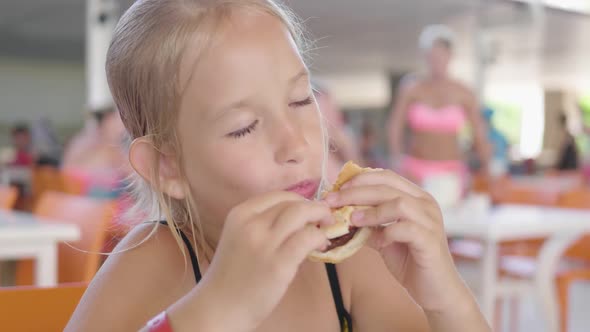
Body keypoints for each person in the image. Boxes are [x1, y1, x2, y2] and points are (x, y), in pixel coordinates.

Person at [66, 2, 490, 331]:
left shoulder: (348, 262)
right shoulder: (155, 261)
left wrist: (446, 298)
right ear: (167, 166)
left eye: (302, 100)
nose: (297, 143)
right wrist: (216, 310)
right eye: (244, 127)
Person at [387, 24, 490, 189]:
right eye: (433, 56)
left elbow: (479, 135)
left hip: (451, 171)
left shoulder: (464, 92)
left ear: (450, 56)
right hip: (415, 170)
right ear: (426, 57)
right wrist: (398, 161)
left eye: (441, 55)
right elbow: (394, 127)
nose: (437, 61)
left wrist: (486, 168)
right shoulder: (411, 88)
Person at [312, 81, 359, 182]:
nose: (335, 115)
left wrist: (347, 149)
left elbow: (360, 176)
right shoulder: (311, 152)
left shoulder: (342, 140)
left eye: (334, 109)